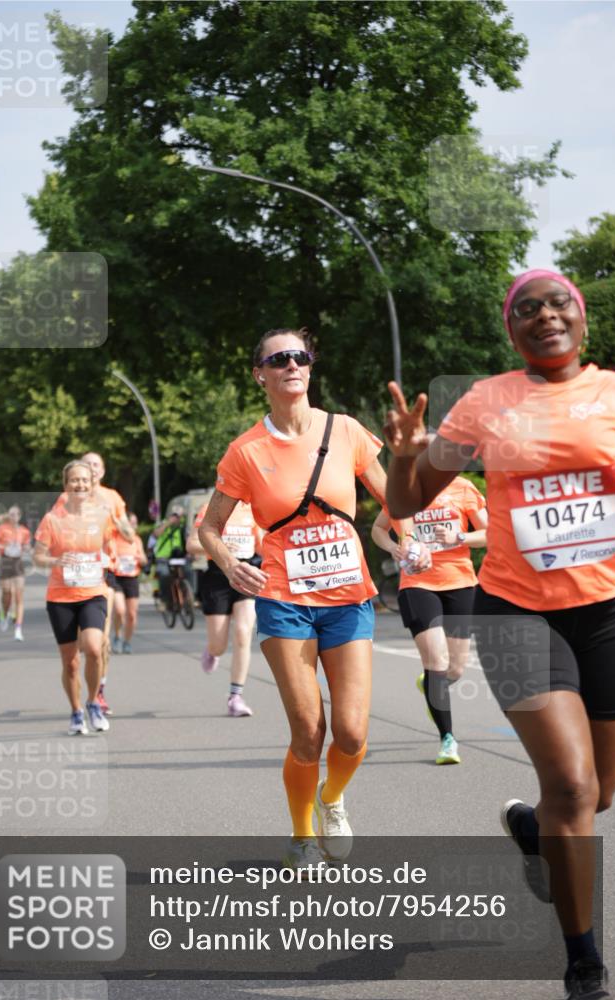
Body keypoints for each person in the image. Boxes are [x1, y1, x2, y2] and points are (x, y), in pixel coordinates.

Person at [384, 270, 615, 1000]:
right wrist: (404, 452)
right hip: (517, 610)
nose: (544, 316)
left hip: (610, 610)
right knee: (572, 785)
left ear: (580, 320)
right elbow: (406, 501)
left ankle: (531, 828)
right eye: (527, 309)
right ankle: (583, 964)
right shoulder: (487, 403)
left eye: (558, 305)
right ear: (509, 328)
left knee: (599, 793)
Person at [198, 327, 388, 870]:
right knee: (309, 730)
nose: (292, 365)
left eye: (300, 356)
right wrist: (231, 563)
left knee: (350, 733)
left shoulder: (346, 431)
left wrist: (409, 520)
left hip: (348, 596)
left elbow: (392, 498)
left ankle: (332, 800)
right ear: (260, 374)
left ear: (310, 366)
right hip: (284, 598)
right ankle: (303, 835)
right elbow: (209, 527)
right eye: (278, 358)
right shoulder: (246, 451)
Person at [372, 477, 487, 764]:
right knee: (436, 662)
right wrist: (393, 547)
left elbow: (492, 533)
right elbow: (378, 528)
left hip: (459, 581)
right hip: (417, 584)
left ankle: (432, 684)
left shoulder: (463, 488)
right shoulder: (403, 491)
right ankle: (447, 739)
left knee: (456, 668)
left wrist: (458, 537)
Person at [34, 460, 114, 735]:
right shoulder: (52, 519)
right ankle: (76, 711)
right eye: (74, 480)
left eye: (84, 480)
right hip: (60, 596)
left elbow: (109, 547)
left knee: (93, 647)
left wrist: (107, 559)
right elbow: (38, 556)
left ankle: (93, 702)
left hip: (93, 593)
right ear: (65, 485)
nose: (80, 484)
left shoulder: (103, 515)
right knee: (70, 662)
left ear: (92, 483)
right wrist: (56, 560)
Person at [187, 500, 263, 717]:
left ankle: (235, 697)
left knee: (242, 633)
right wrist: (220, 548)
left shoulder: (254, 510)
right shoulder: (211, 507)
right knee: (219, 645)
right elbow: (192, 544)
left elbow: (262, 545)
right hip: (218, 577)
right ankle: (213, 651)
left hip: (246, 573)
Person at [0, 505, 31, 641]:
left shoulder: (24, 531)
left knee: (19, 597)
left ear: (19, 516)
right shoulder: (2, 529)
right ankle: (4, 613)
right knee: (7, 594)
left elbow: (27, 545)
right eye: (11, 514)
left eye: (16, 514)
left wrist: (25, 547)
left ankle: (18, 629)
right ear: (8, 516)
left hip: (17, 563)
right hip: (5, 562)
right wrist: (3, 547)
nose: (14, 517)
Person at [111, 512, 147, 654]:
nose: (133, 525)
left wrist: (138, 558)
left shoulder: (136, 540)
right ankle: (117, 636)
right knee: (120, 610)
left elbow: (144, 559)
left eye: (135, 523)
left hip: (131, 578)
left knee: (131, 615)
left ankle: (127, 641)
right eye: (131, 522)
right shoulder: (114, 537)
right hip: (116, 577)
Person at [152, 506, 187, 611]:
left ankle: (188, 598)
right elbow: (156, 534)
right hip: (163, 557)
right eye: (174, 516)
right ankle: (164, 599)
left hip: (178, 556)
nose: (176, 519)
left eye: (179, 516)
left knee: (189, 571)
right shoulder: (163, 524)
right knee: (164, 574)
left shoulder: (182, 527)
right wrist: (168, 523)